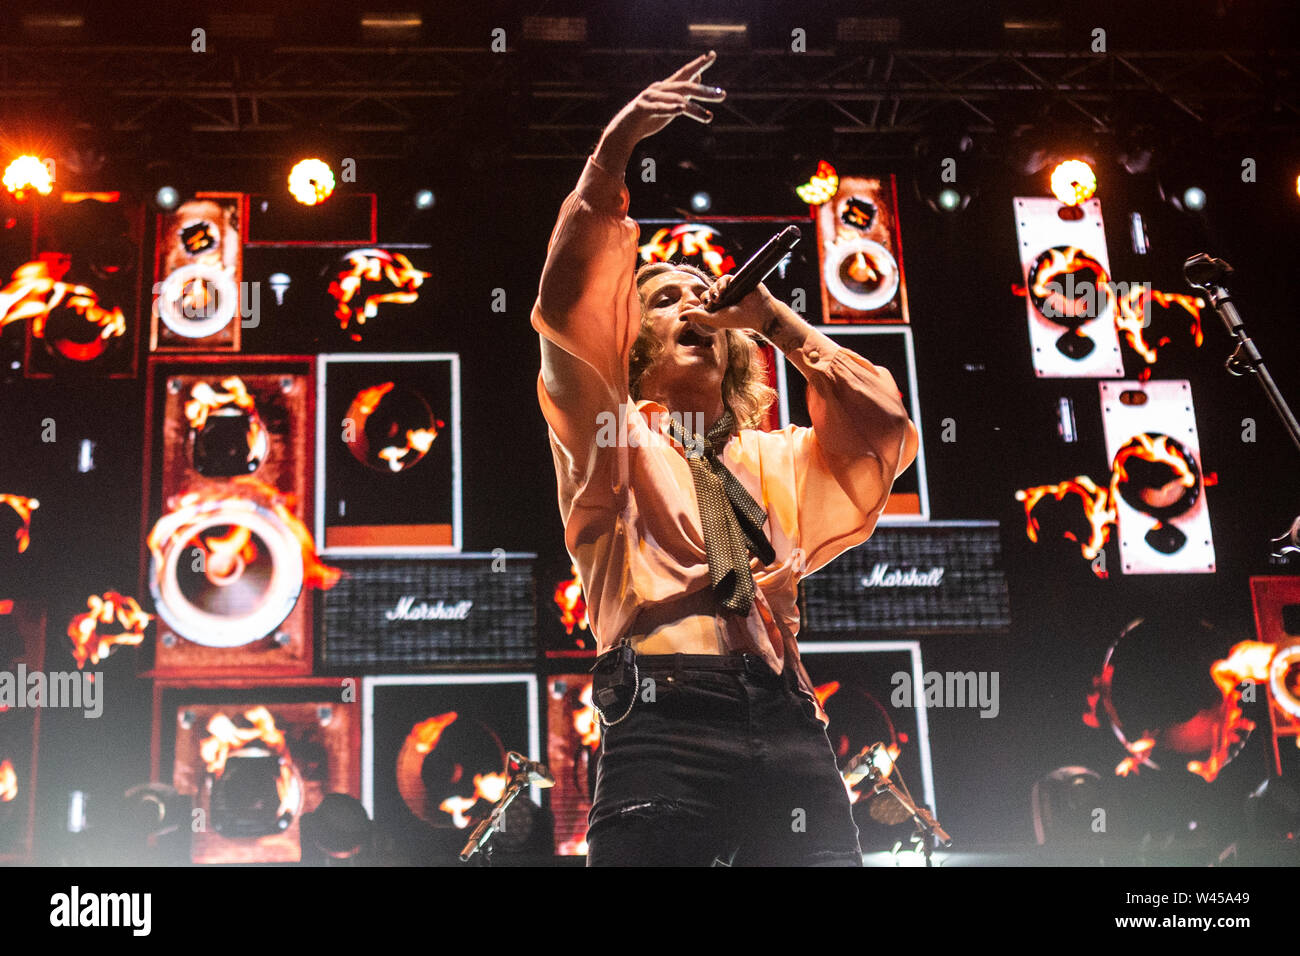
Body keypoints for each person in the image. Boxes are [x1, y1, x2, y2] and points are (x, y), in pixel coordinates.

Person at [531, 51, 919, 866]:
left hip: (788, 723)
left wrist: (774, 318)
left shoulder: (776, 457)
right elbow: (568, 314)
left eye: (704, 293)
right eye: (664, 298)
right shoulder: (611, 439)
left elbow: (884, 428)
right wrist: (613, 152)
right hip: (665, 725)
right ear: (630, 347)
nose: (693, 303)